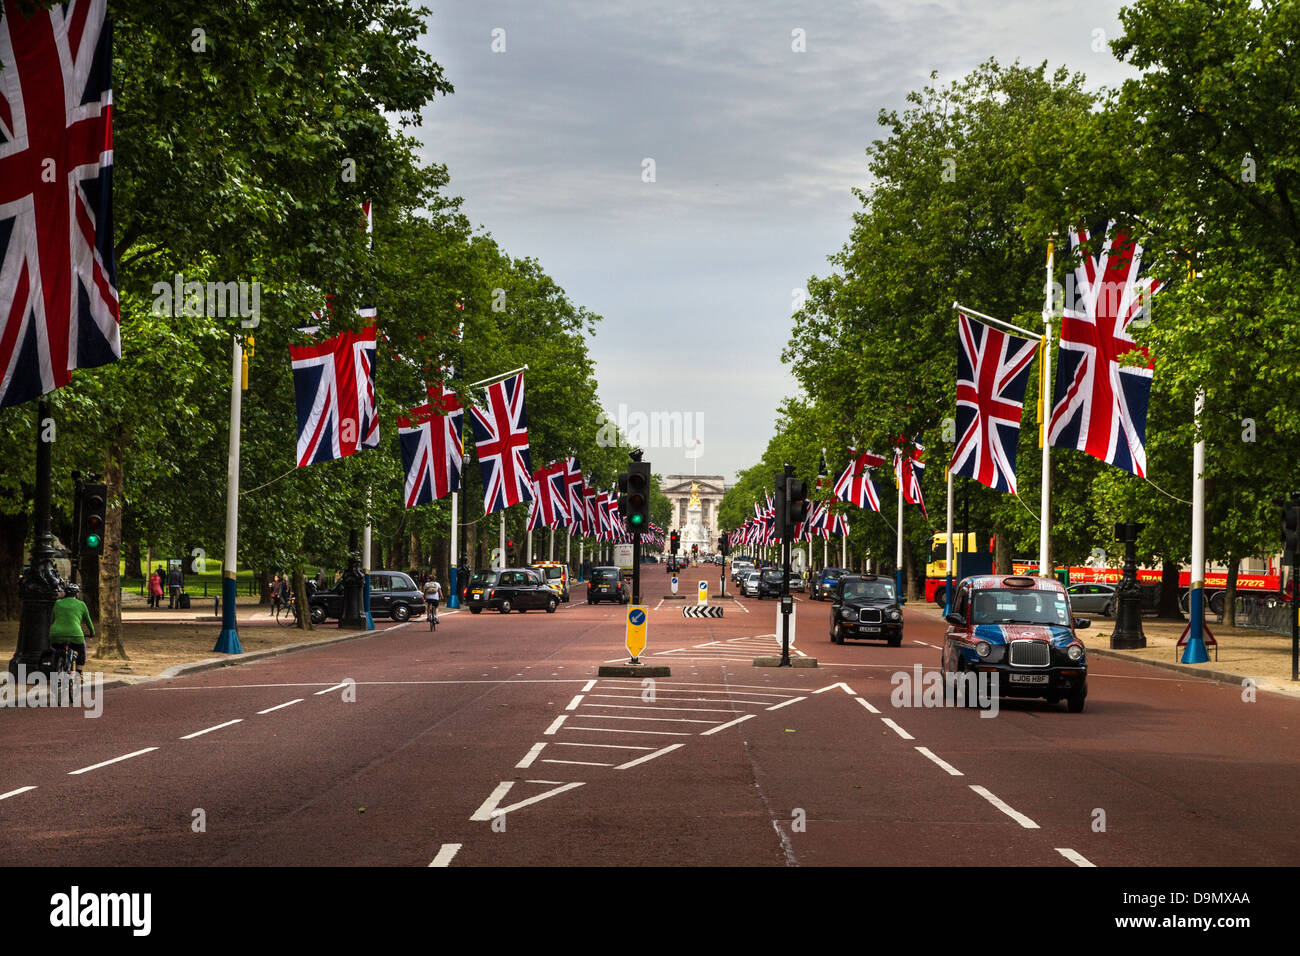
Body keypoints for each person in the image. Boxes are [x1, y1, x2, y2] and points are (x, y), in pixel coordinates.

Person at [50, 582, 94, 674]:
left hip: (56, 634)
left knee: (55, 650)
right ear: (76, 594)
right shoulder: (81, 604)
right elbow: (88, 621)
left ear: (65, 593)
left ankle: (56, 667)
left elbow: (52, 620)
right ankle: (79, 673)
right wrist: (92, 633)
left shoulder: (57, 603)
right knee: (82, 650)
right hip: (75, 635)